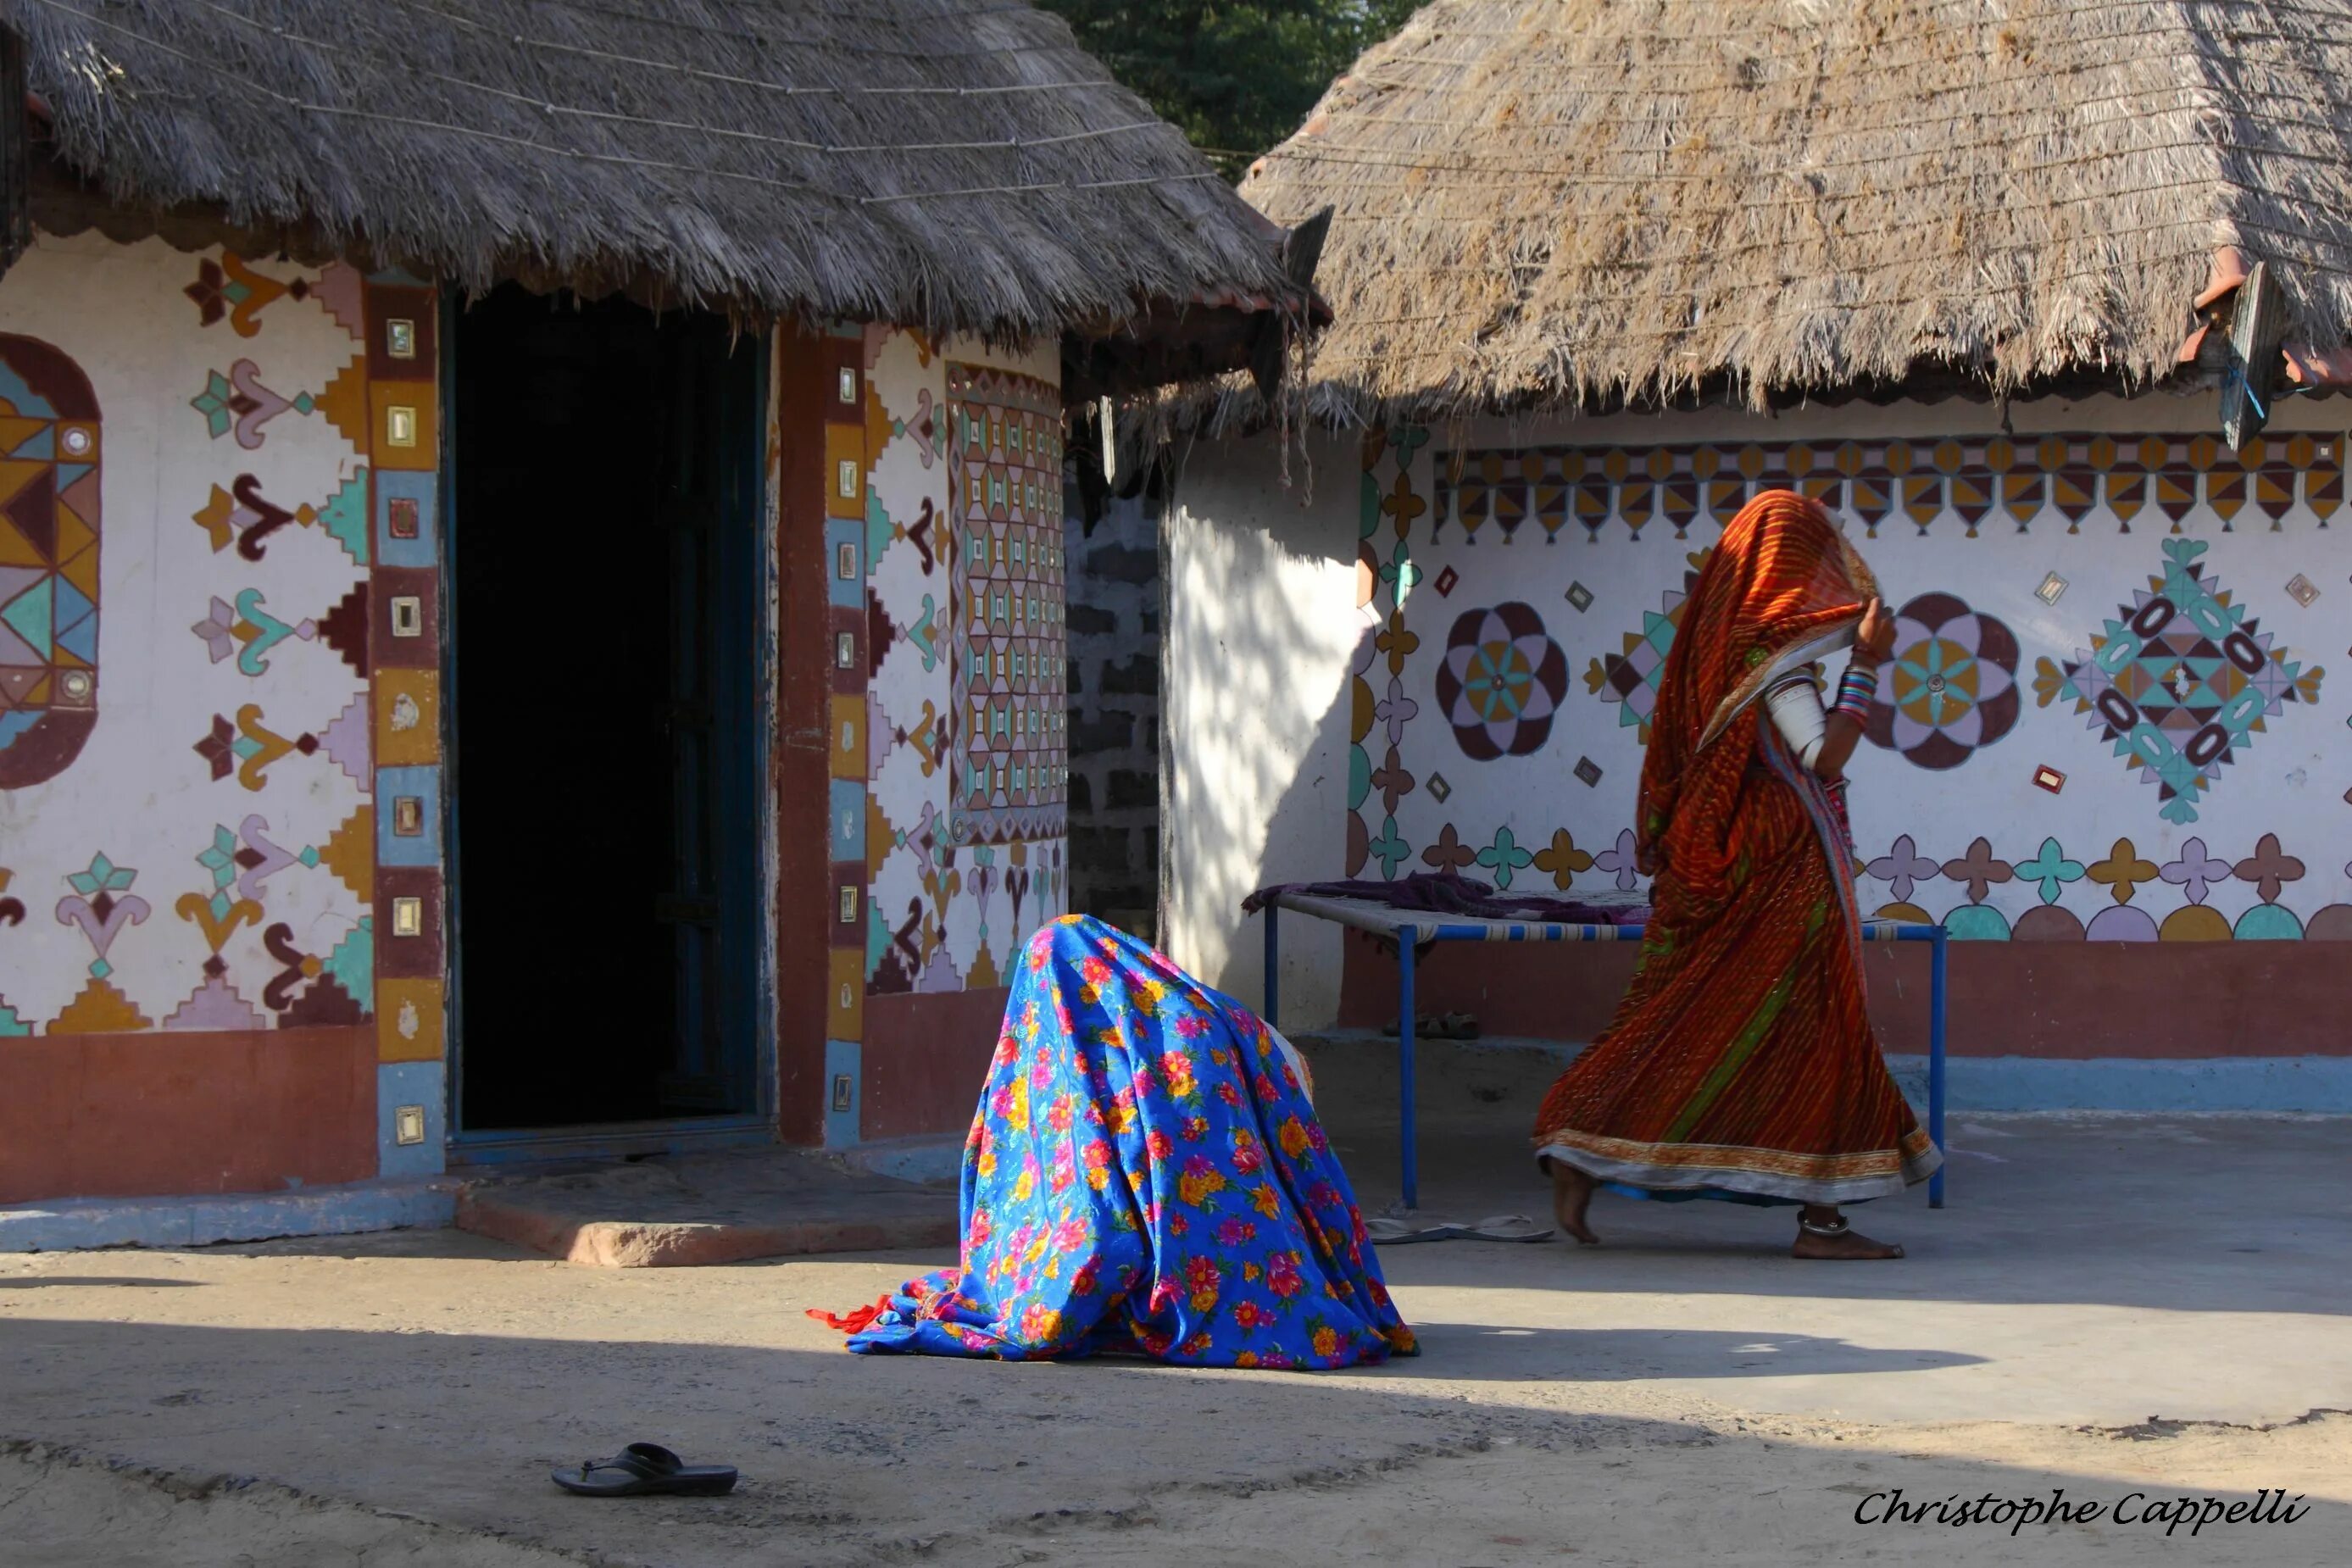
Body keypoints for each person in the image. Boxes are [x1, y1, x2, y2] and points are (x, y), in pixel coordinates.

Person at [1530, 490, 1941, 1259]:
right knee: (1818, 1033)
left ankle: (1580, 1144)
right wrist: (1866, 664)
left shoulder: (1727, 654)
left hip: (1760, 879)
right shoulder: (1771, 665)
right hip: (1780, 886)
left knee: (1691, 1026)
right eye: (1818, 558)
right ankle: (1818, 1225)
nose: (1831, 576)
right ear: (1787, 567)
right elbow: (1824, 756)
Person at [815, 914, 1417, 1366]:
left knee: (1108, 1218)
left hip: (1195, 1249)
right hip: (1275, 1232)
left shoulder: (1081, 1051)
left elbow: (1079, 1185)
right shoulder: (1190, 1008)